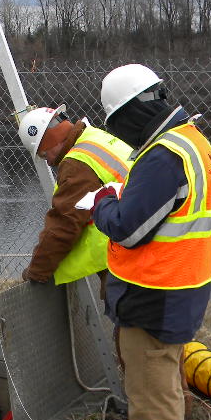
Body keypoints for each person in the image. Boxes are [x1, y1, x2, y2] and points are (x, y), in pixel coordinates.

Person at [89, 64, 211, 420]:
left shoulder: (163, 156)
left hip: (155, 293)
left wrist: (104, 201)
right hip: (183, 285)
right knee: (164, 383)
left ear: (126, 114)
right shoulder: (193, 143)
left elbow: (127, 228)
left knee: (152, 393)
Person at [17, 104, 131, 291]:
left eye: (44, 154)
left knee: (130, 317)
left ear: (52, 140)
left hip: (124, 260)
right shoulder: (95, 137)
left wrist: (36, 272)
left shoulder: (76, 164)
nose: (49, 161)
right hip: (143, 242)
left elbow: (64, 223)